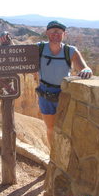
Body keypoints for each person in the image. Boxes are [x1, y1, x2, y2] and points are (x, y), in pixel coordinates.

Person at [35, 20, 92, 148]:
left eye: (59, 32)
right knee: (50, 128)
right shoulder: (39, 47)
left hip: (64, 94)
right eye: (53, 32)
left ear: (64, 35)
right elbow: (21, 53)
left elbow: (83, 67)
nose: (56, 34)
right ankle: (53, 154)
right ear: (47, 33)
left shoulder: (70, 51)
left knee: (66, 128)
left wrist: (87, 70)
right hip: (45, 94)